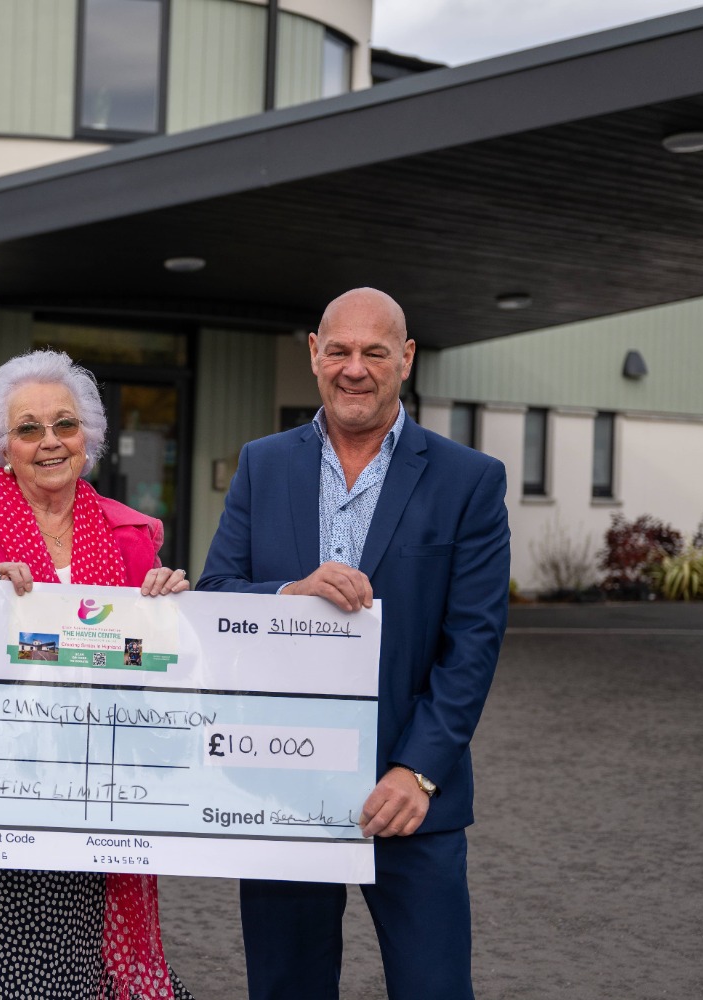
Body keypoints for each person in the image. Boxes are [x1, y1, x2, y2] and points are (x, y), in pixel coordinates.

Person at [198, 288, 510, 1000]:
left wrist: (418, 772)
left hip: (409, 800)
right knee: (287, 988)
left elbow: (473, 643)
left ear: (406, 359)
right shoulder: (262, 463)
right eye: (338, 349)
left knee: (433, 988)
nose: (354, 368)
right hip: (284, 788)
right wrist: (286, 595)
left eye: (374, 351)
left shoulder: (469, 481)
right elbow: (216, 593)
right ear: (313, 353)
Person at [0, 349, 194, 1000]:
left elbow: (154, 669)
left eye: (63, 425)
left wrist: (173, 612)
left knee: (73, 977)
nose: (49, 442)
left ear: (88, 437)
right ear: (1, 446)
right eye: (28, 428)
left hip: (90, 801)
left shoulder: (133, 532)